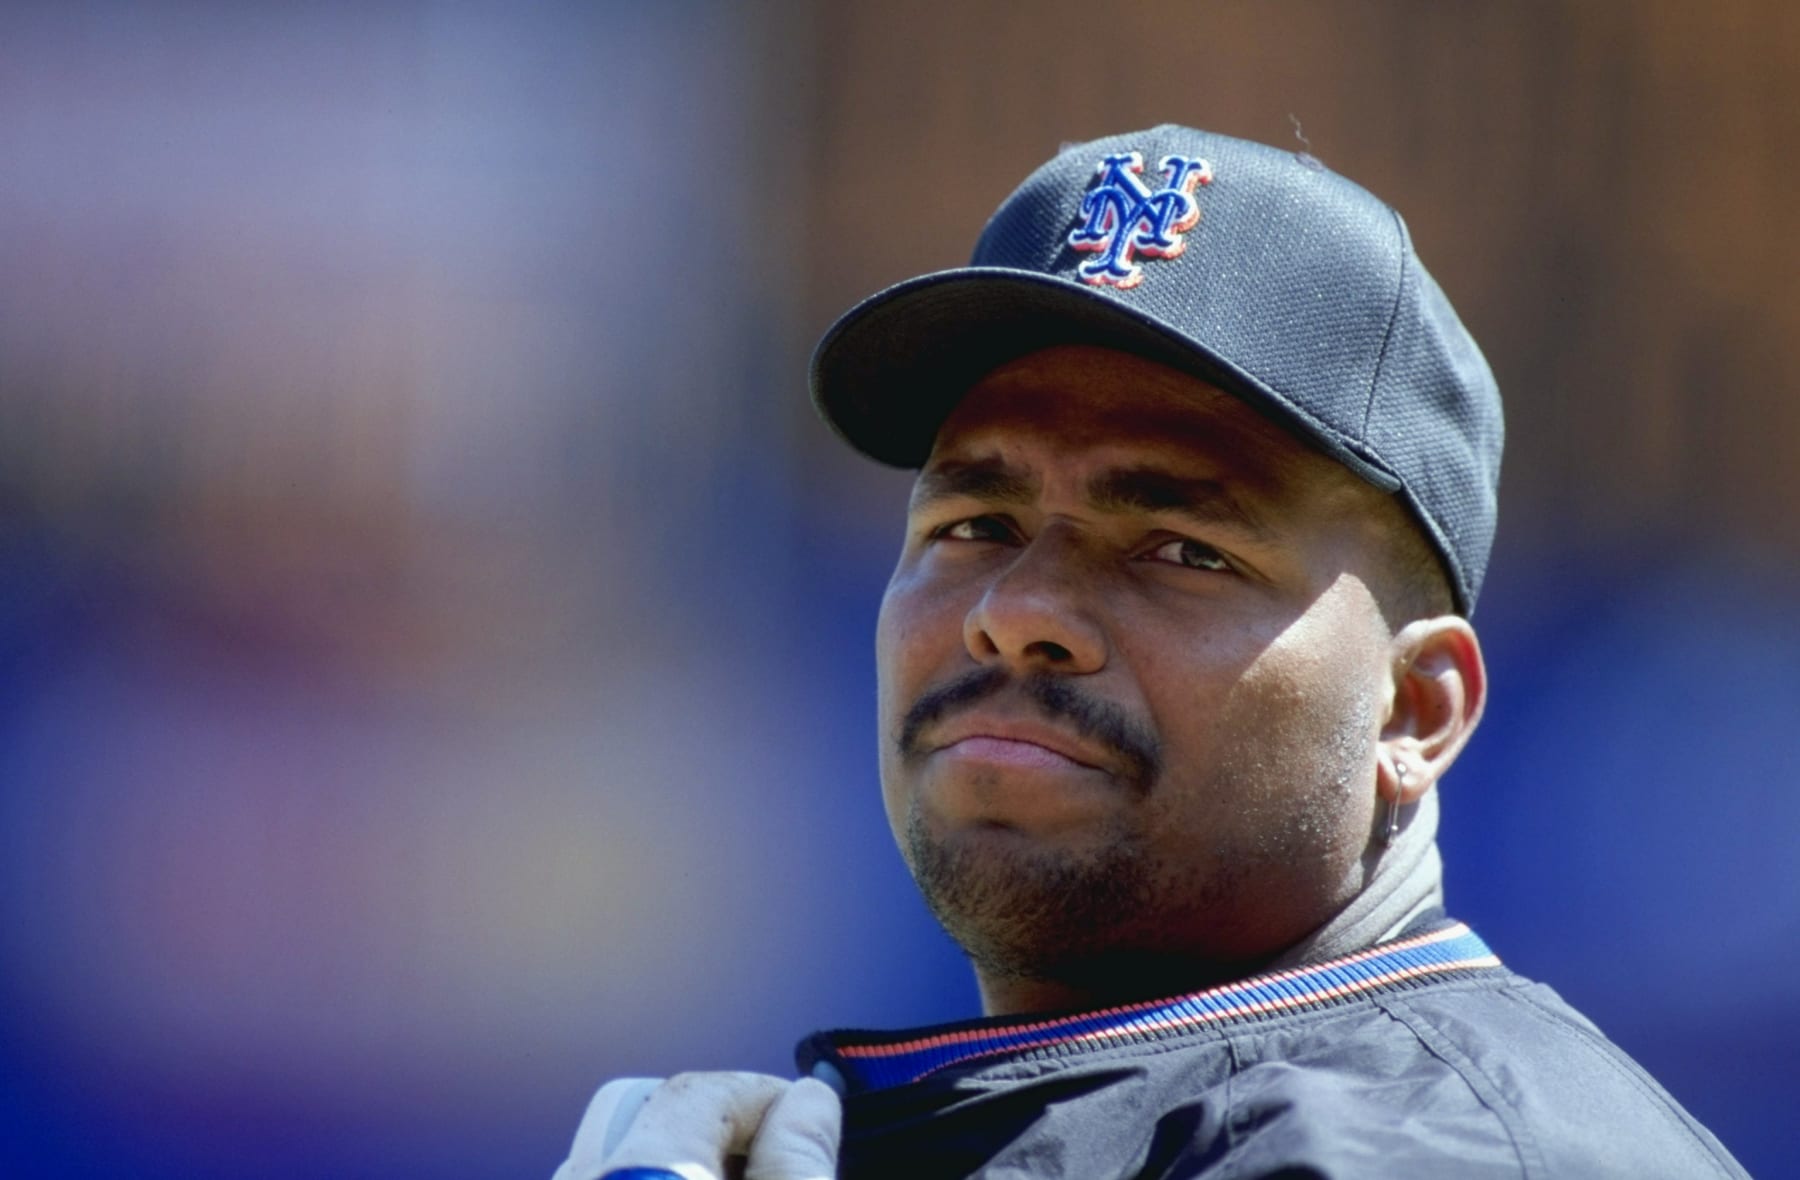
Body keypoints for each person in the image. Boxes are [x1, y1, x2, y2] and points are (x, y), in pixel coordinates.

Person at [553, 125, 1749, 1179]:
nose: (1018, 610)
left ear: (1414, 710)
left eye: (1181, 548)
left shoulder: (1460, 1151)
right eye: (975, 524)